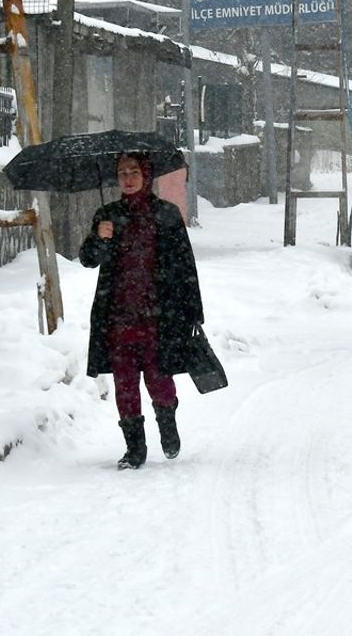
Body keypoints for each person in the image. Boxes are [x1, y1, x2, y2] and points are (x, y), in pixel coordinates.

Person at [80, 152, 204, 470]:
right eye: (122, 172)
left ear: (146, 175)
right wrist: (99, 237)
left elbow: (184, 264)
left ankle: (167, 423)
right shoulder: (107, 215)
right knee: (124, 382)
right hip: (118, 316)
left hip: (160, 316)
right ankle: (135, 447)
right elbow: (88, 259)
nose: (128, 177)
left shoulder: (166, 214)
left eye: (134, 171)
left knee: (159, 379)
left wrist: (192, 312)